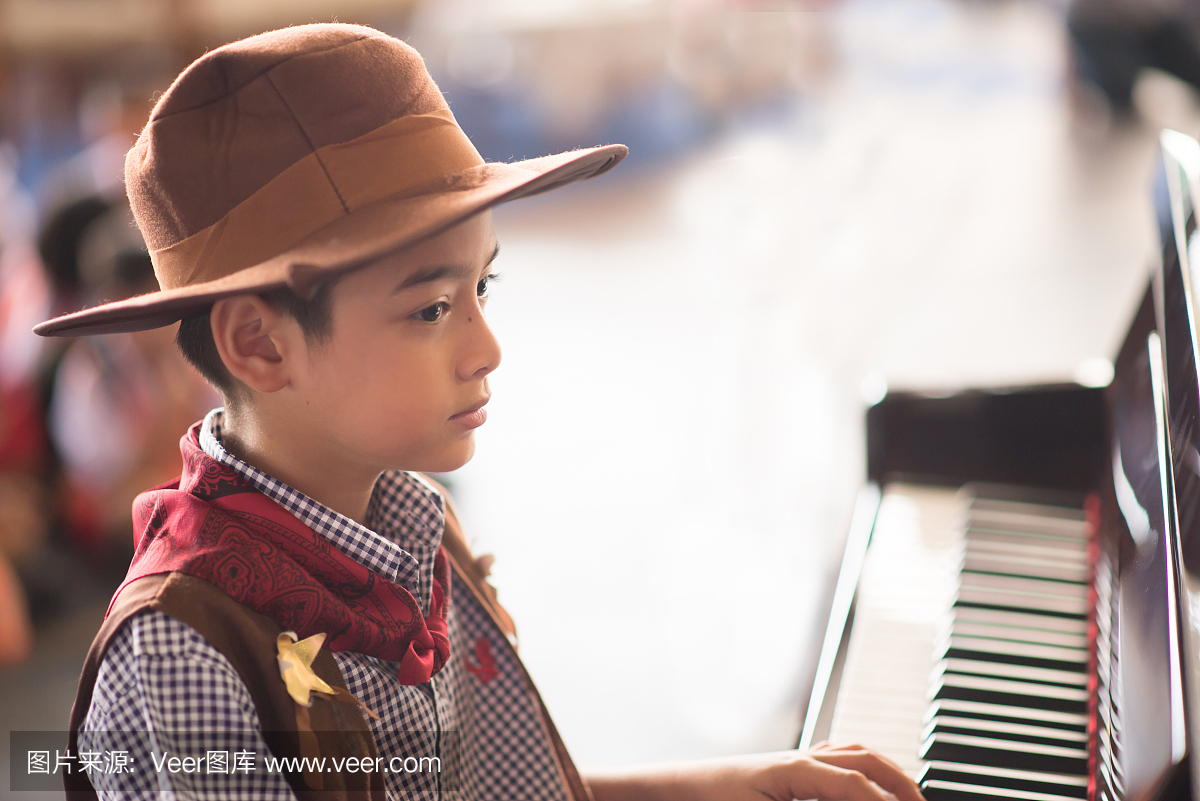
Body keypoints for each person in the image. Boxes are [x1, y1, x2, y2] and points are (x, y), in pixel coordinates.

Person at [38, 24, 923, 801]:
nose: (486, 348)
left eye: (483, 286)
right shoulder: (185, 656)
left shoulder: (406, 526)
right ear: (260, 345)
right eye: (430, 308)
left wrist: (717, 783)